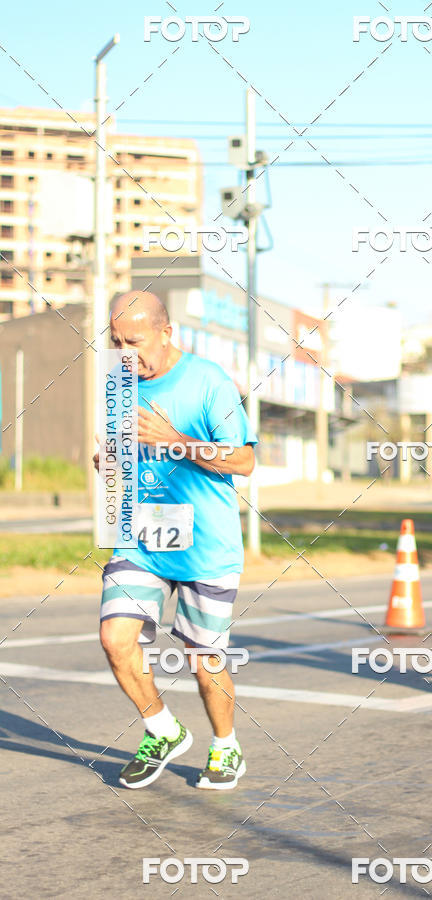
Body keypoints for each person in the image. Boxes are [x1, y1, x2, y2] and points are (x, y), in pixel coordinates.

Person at [95, 291, 257, 789]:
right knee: (114, 639)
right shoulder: (118, 381)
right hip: (141, 541)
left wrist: (176, 441)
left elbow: (244, 461)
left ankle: (226, 747)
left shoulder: (208, 381)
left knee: (202, 659)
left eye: (135, 341)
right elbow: (123, 450)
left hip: (205, 546)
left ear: (167, 333)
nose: (126, 352)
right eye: (117, 341)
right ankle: (161, 728)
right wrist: (110, 463)